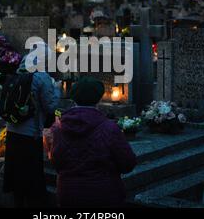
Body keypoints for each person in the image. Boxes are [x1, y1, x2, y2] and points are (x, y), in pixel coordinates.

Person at [46, 77, 137, 208]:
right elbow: (128, 163)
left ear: (73, 99)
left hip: (69, 192)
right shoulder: (109, 128)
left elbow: (56, 161)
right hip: (103, 193)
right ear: (99, 99)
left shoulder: (57, 128)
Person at [2, 45, 61, 208]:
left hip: (12, 130)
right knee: (32, 173)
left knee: (16, 173)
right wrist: (57, 89)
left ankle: (18, 203)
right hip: (31, 133)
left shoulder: (17, 74)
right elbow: (50, 106)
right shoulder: (41, 77)